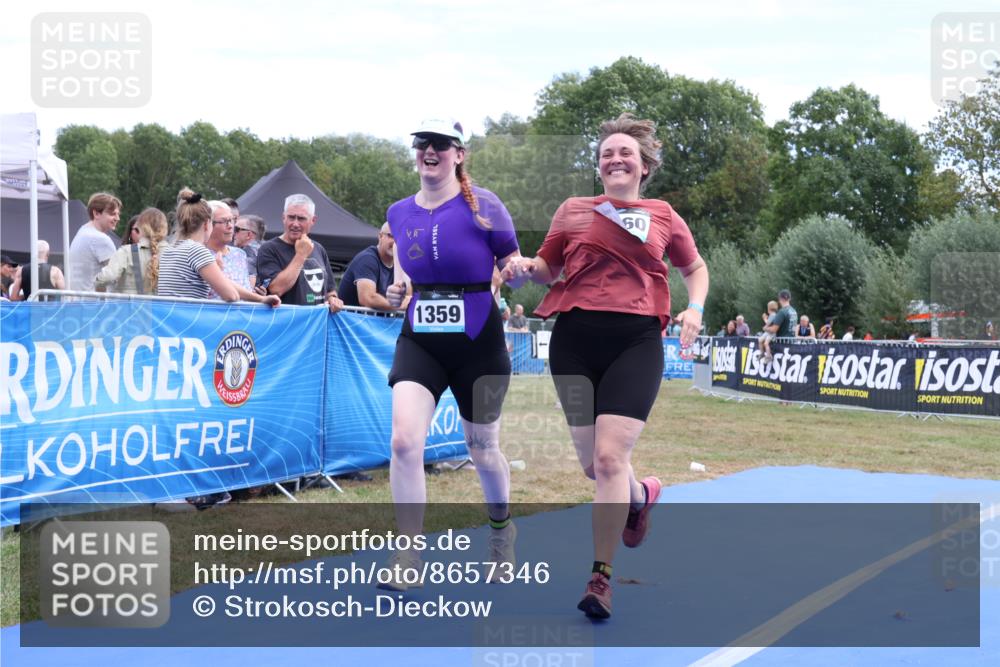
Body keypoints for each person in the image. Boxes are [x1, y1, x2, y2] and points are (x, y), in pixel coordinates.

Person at [502, 113, 709, 619]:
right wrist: (525, 269)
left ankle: (601, 578)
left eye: (625, 154)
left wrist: (694, 308)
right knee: (594, 466)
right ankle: (641, 496)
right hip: (573, 342)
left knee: (612, 459)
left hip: (636, 341)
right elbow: (549, 267)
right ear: (599, 167)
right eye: (606, 154)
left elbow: (694, 268)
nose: (615, 159)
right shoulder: (574, 210)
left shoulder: (663, 215)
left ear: (643, 166)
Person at [381, 118, 522, 589]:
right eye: (422, 142)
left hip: (478, 342)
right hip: (421, 337)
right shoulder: (399, 211)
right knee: (403, 441)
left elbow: (510, 264)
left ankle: (502, 532)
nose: (429, 150)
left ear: (459, 154)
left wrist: (521, 269)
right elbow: (405, 255)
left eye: (440, 144)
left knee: (482, 450)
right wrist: (401, 285)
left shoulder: (485, 205)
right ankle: (409, 556)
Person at [157, 188, 280, 307]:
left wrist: (261, 299)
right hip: (191, 321)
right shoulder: (197, 251)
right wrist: (219, 271)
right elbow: (232, 295)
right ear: (207, 224)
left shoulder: (169, 250)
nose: (231, 226)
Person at [256, 194, 344, 312]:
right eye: (291, 217)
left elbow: (330, 290)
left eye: (301, 218)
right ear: (283, 218)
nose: (295, 224)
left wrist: (333, 299)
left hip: (316, 325)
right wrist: (301, 255)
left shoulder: (318, 248)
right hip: (287, 324)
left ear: (313, 220)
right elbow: (276, 289)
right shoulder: (268, 249)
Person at [95, 208, 168, 295]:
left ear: (141, 226)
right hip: (165, 307)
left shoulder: (126, 252)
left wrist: (97, 283)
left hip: (130, 307)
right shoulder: (174, 253)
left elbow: (107, 277)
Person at [338, 222, 403, 310]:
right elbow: (368, 298)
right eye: (391, 236)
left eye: (399, 237)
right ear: (380, 236)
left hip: (373, 322)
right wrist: (398, 306)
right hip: (351, 321)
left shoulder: (400, 263)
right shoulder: (367, 259)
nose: (395, 241)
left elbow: (409, 296)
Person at [69, 192, 120, 291]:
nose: (118, 218)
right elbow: (117, 276)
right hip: (94, 304)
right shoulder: (100, 239)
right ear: (96, 213)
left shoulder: (82, 231)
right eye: (112, 214)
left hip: (79, 302)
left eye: (118, 214)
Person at [205, 201, 253, 299]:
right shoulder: (199, 254)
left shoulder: (240, 254)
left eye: (231, 220)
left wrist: (259, 297)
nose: (230, 226)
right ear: (208, 224)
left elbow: (246, 291)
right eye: (224, 221)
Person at [234, 214, 264, 284]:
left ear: (249, 235)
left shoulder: (244, 255)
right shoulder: (267, 250)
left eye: (236, 229)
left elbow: (247, 287)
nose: (233, 233)